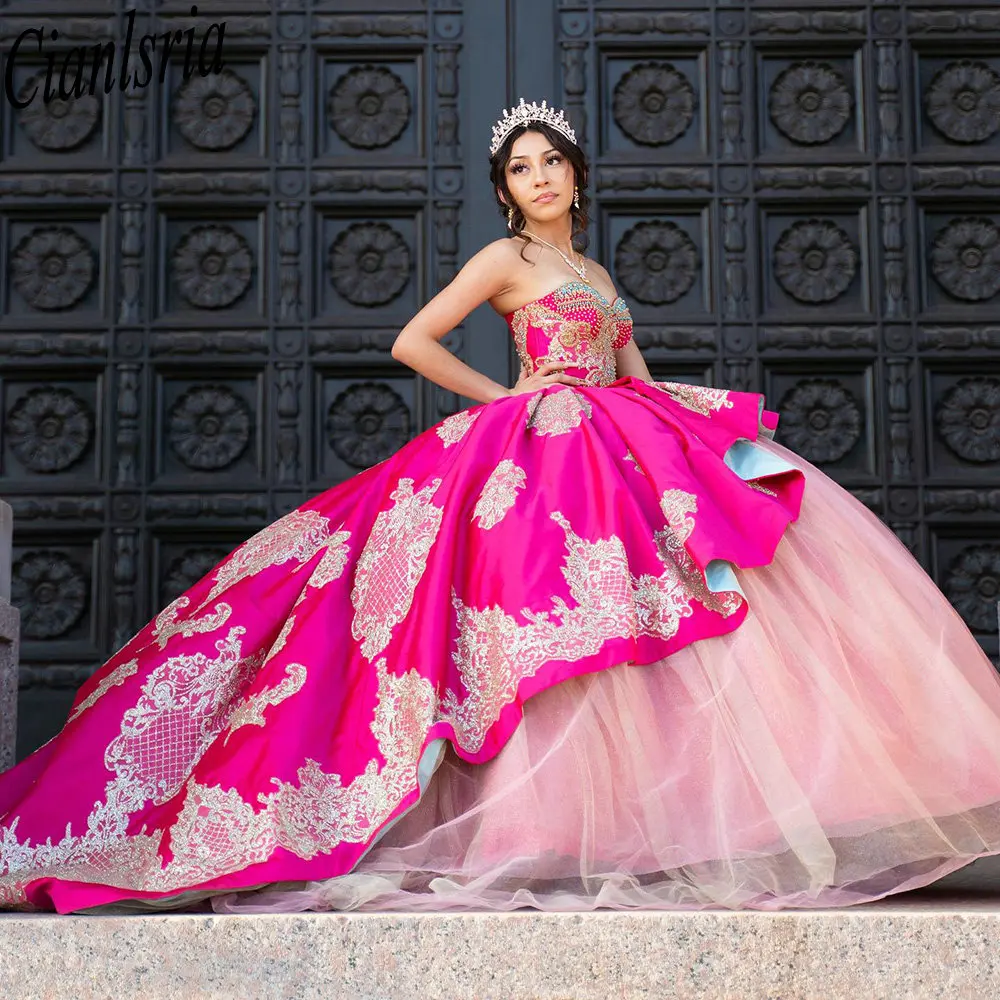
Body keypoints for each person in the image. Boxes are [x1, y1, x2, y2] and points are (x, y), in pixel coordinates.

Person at [3, 99, 1000, 916]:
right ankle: (511, 821)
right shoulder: (505, 261)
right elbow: (414, 341)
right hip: (533, 445)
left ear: (575, 177)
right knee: (515, 610)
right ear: (505, 190)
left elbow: (631, 367)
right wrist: (509, 401)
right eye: (522, 168)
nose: (541, 178)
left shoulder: (599, 276)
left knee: (678, 602)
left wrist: (674, 434)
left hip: (621, 435)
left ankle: (663, 824)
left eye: (552, 163)